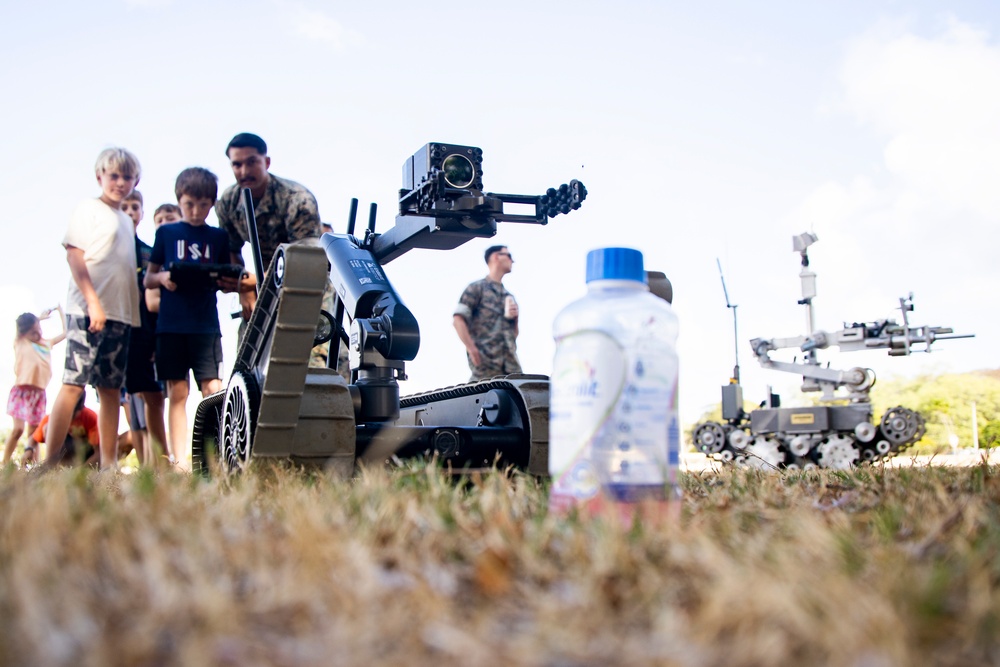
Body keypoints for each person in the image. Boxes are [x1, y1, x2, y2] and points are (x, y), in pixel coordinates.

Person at [215, 132, 346, 375]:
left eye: (252, 161)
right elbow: (231, 249)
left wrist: (254, 283)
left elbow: (305, 257)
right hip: (261, 286)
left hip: (306, 283)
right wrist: (244, 289)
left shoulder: (296, 198)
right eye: (237, 164)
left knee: (314, 359)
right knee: (248, 362)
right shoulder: (229, 202)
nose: (244, 171)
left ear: (266, 162)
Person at [43, 148, 142, 471]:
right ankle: (50, 461)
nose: (120, 182)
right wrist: (93, 302)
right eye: (114, 176)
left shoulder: (126, 221)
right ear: (100, 176)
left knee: (111, 389)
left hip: (121, 316)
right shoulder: (89, 209)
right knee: (74, 383)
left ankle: (109, 465)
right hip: (88, 312)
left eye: (127, 177)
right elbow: (75, 255)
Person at [144, 167, 230, 471]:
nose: (196, 211)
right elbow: (148, 278)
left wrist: (222, 279)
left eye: (204, 205)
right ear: (179, 201)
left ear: (212, 204)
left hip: (205, 325)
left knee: (213, 389)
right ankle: (179, 460)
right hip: (171, 326)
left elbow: (230, 275)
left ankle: (217, 458)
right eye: (189, 204)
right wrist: (164, 276)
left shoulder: (219, 237)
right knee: (177, 392)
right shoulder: (166, 234)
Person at [120, 190, 168, 467]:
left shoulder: (149, 253)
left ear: (141, 211)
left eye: (135, 206)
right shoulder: (105, 249)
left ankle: (159, 462)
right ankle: (116, 463)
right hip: (115, 330)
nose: (129, 211)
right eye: (124, 206)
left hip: (144, 333)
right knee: (122, 398)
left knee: (151, 394)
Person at [3, 307, 66, 465]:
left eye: (39, 330)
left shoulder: (46, 343)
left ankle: (34, 466)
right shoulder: (21, 342)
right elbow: (22, 328)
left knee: (34, 433)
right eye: (34, 332)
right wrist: (38, 318)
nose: (38, 334)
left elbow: (66, 333)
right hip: (22, 392)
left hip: (39, 394)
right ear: (25, 333)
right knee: (18, 429)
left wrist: (61, 312)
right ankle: (4, 462)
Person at [453, 245, 522, 381]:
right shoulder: (477, 288)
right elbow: (458, 320)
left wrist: (515, 320)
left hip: (511, 367)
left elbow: (513, 335)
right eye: (508, 256)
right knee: (481, 399)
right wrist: (472, 349)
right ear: (496, 257)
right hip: (486, 365)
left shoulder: (508, 296)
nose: (512, 261)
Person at [27, 394, 99, 466]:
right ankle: (53, 464)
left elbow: (98, 452)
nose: (70, 415)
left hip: (84, 456)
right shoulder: (52, 418)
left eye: (73, 412)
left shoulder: (90, 417)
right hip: (61, 454)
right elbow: (33, 439)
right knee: (47, 427)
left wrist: (81, 471)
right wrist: (28, 450)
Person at [145, 203, 184, 314]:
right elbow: (152, 303)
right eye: (159, 221)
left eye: (170, 219)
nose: (164, 224)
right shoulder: (157, 261)